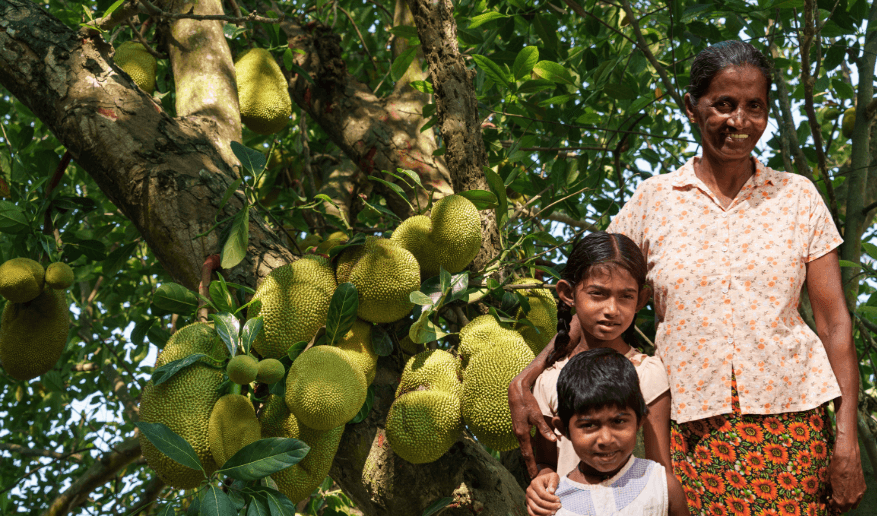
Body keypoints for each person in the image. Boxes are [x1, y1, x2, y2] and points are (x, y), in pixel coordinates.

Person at [509, 40, 866, 516]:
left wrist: (847, 439)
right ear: (693, 109)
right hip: (689, 430)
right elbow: (601, 301)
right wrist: (529, 378)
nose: (739, 121)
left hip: (793, 424)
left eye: (754, 107)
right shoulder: (655, 200)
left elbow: (834, 325)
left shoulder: (796, 196)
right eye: (723, 104)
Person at [527, 231, 679, 515]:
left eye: (625, 297)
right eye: (598, 293)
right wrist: (540, 480)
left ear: (641, 299)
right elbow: (547, 462)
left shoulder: (647, 372)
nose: (612, 309)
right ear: (568, 294)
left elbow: (661, 472)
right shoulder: (548, 381)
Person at [550, 348, 689, 516]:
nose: (606, 439)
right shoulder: (554, 502)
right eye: (588, 425)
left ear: (639, 421)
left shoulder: (661, 485)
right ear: (564, 429)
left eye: (618, 421)